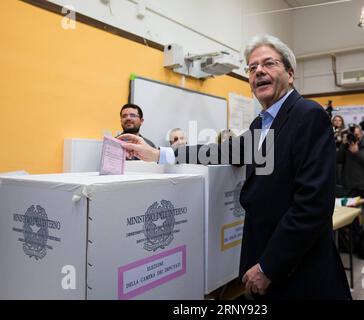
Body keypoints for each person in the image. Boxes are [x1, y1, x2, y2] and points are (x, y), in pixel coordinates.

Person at [119, 35, 351, 299]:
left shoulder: (308, 115)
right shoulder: (261, 124)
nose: (259, 71)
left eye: (269, 64)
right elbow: (220, 151)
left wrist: (268, 266)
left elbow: (313, 206)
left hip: (298, 270)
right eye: (252, 68)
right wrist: (159, 153)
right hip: (272, 263)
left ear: (290, 73)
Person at [337, 124, 364, 240]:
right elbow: (338, 159)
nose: (355, 136)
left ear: (362, 133)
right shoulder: (347, 144)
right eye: (352, 134)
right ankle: (355, 240)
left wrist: (357, 152)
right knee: (351, 216)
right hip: (350, 185)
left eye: (357, 134)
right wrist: (344, 145)